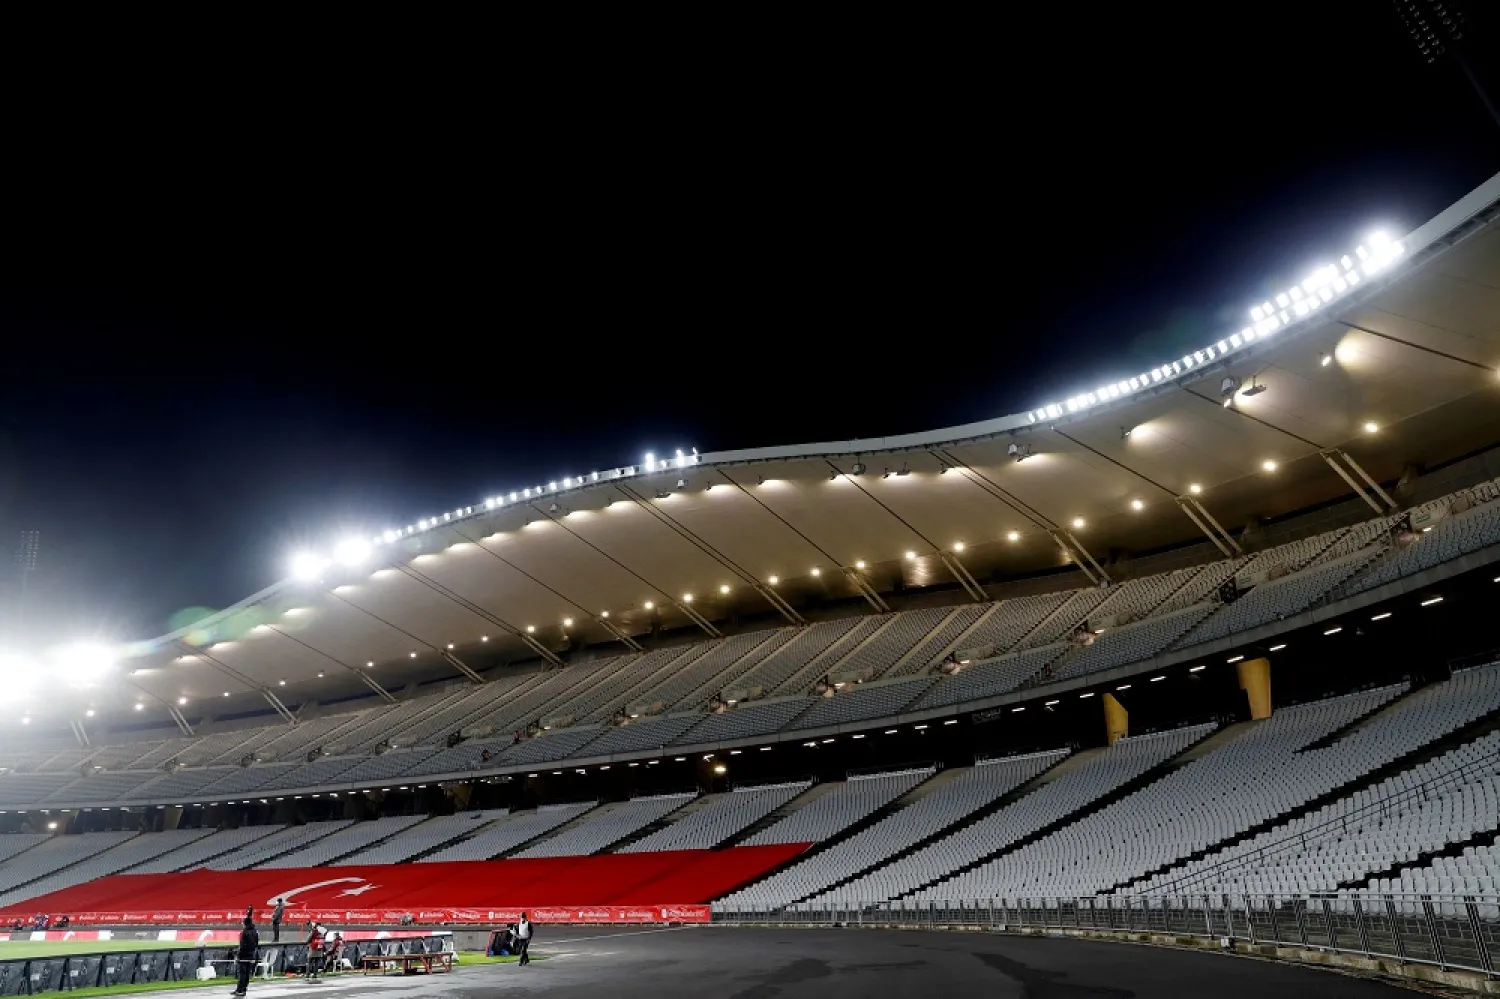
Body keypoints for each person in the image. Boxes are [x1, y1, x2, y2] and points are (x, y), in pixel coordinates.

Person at [232, 913, 259, 997]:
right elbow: (256, 943)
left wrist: (238, 956)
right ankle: (243, 989)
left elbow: (242, 946)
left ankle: (240, 990)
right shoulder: (255, 931)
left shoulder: (244, 932)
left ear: (245, 923)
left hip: (243, 956)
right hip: (251, 955)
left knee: (242, 974)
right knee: (247, 974)